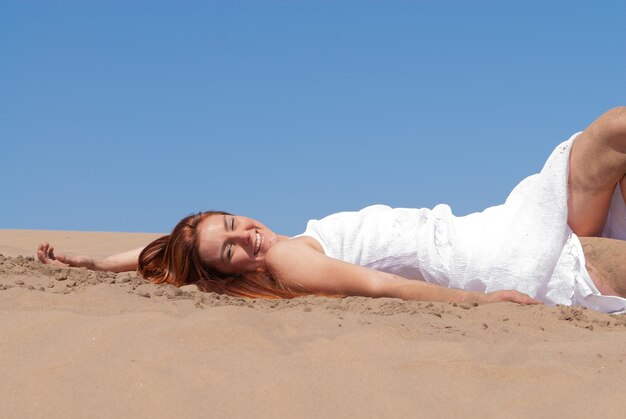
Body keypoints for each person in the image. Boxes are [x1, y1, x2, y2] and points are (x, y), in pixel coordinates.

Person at [38, 107, 626, 313]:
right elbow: (381, 288)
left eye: (235, 224)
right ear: (232, 274)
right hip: (499, 261)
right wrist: (478, 302)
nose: (247, 238)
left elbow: (169, 255)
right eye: (231, 250)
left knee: (609, 134)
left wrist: (94, 264)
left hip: (504, 225)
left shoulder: (293, 239)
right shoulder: (293, 261)